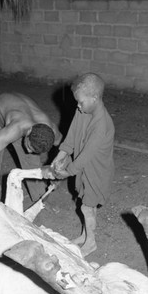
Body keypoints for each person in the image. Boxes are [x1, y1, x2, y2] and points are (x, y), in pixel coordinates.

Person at [46, 73, 115, 257]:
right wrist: (59, 157)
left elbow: (85, 157)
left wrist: (66, 172)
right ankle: (85, 235)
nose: (77, 105)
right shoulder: (83, 110)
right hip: (84, 170)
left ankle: (91, 243)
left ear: (95, 98)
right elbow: (71, 138)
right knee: (86, 204)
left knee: (87, 206)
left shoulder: (102, 124)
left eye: (81, 102)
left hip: (97, 172)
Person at [0, 93, 62, 202]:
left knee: (32, 164)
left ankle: (39, 202)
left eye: (33, 150)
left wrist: (57, 171)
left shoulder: (51, 131)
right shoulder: (16, 128)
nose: (28, 150)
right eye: (29, 146)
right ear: (29, 131)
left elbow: (64, 147)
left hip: (23, 116)